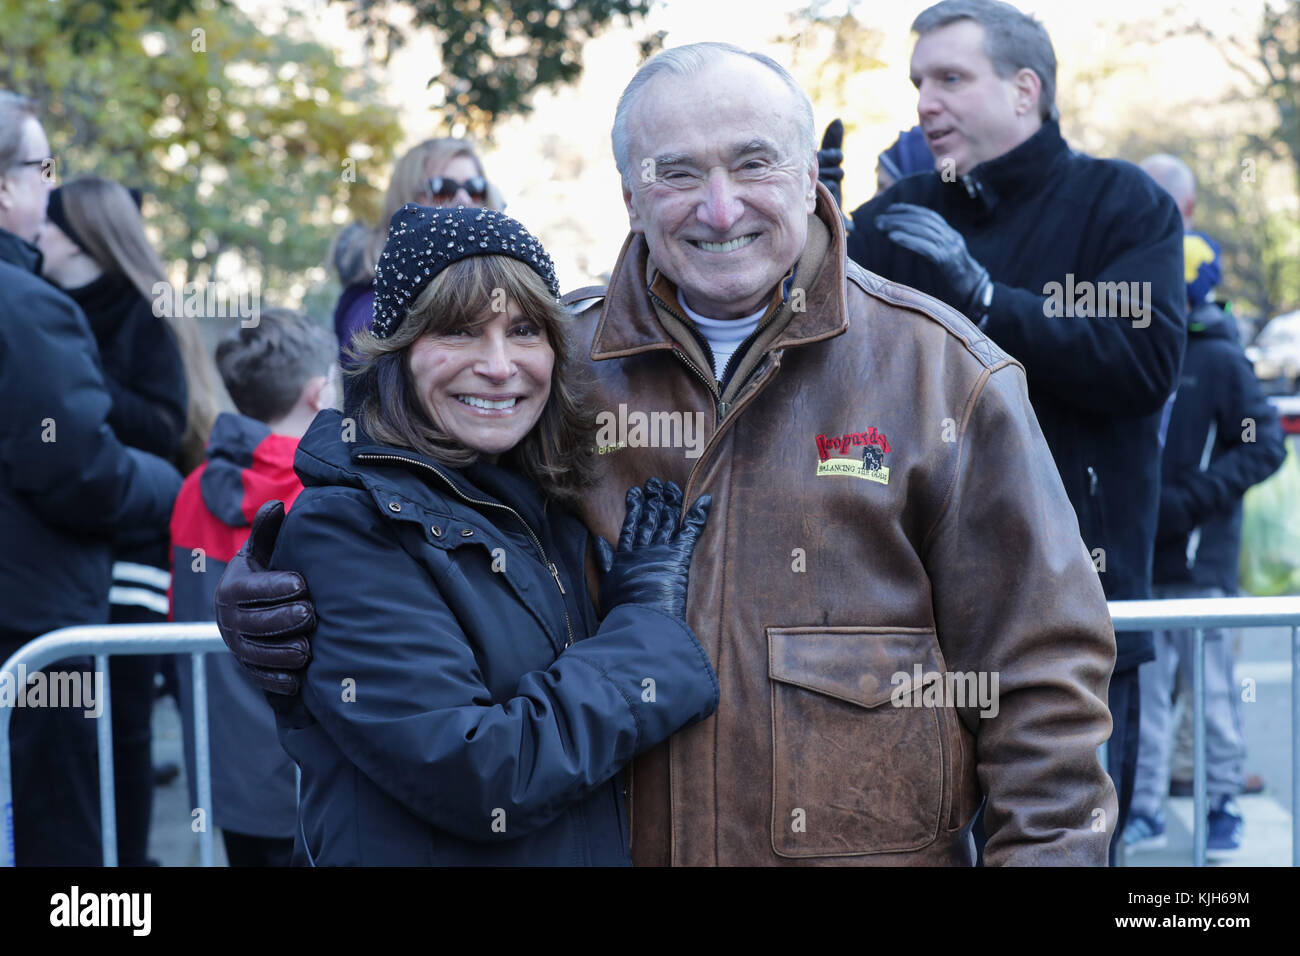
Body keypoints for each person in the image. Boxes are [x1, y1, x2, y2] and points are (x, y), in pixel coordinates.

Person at [217, 43, 1119, 866]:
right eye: (677, 172)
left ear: (810, 176)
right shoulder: (547, 366)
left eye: (753, 163)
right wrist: (283, 602)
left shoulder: (943, 376)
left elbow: (1042, 681)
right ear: (630, 197)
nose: (719, 208)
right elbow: (406, 528)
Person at [232, 204, 718, 865]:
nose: (499, 364)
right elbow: (482, 772)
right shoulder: (347, 528)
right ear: (396, 353)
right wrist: (643, 637)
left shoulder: (537, 501)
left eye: (524, 331)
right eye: (459, 332)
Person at [832, 0, 1186, 863]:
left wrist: (987, 299)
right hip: (908, 624)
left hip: (1077, 624)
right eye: (918, 82)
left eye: (951, 77)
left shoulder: (1125, 202)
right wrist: (802, 230)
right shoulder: (898, 212)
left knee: (1061, 846)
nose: (925, 101)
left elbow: (1142, 365)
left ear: (1026, 89)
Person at [0, 91, 181, 865]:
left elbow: (158, 419)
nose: (52, 185)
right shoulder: (28, 308)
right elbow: (82, 471)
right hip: (33, 619)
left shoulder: (130, 312)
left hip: (71, 601)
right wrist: (169, 487)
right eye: (41, 166)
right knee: (59, 849)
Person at [37, 175, 220, 866]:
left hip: (137, 544)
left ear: (81, 235)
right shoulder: (38, 304)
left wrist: (76, 384)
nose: (35, 234)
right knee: (66, 720)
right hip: (66, 546)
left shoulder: (145, 311)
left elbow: (162, 424)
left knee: (124, 718)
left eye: (49, 225)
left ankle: (131, 873)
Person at [1123, 154, 1285, 858]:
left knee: (1216, 699)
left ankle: (1223, 808)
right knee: (1149, 705)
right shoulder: (1130, 342)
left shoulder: (1217, 356)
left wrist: (1191, 501)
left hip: (1201, 566)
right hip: (1144, 561)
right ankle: (1146, 810)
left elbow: (1262, 444)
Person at [170, 309, 337, 867]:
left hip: (225, 772)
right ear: (319, 393)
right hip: (313, 775)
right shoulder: (324, 494)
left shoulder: (193, 489)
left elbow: (178, 620)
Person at [330, 138, 502, 365]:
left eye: (475, 189)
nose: (464, 200)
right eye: (442, 189)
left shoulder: (499, 280)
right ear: (405, 198)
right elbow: (370, 360)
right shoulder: (374, 297)